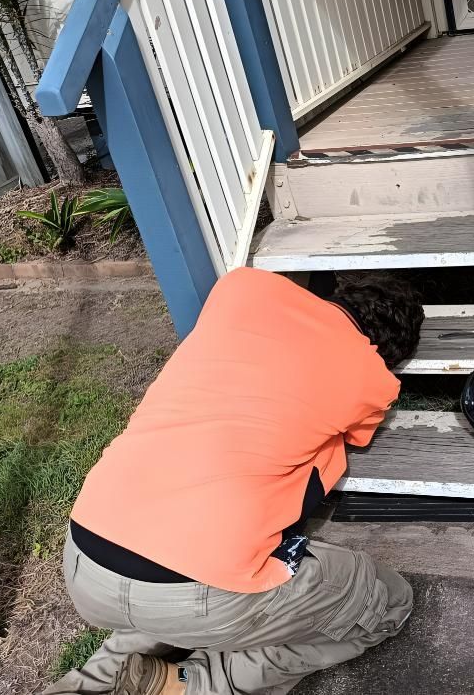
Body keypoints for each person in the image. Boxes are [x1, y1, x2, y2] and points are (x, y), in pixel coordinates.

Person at [44, 267, 425, 695]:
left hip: (85, 559)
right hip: (196, 590)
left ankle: (89, 684)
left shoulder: (242, 287)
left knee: (160, 589)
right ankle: (188, 683)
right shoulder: (372, 377)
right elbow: (353, 434)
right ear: (387, 352)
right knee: (386, 601)